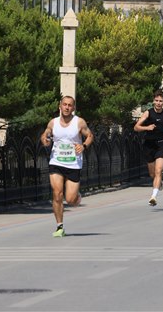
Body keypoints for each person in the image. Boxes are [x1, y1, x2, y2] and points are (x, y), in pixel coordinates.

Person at [40, 95, 94, 237]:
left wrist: (83, 146)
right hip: (56, 162)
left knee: (70, 199)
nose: (67, 107)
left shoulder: (79, 122)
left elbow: (90, 136)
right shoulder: (53, 122)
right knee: (57, 194)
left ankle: (77, 197)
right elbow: (45, 134)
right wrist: (45, 140)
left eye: (70, 105)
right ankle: (59, 226)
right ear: (60, 106)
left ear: (73, 108)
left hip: (73, 164)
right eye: (65, 104)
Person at [134, 89, 163, 206]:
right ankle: (159, 183)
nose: (158, 103)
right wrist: (147, 128)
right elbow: (136, 127)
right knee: (153, 174)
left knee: (158, 171)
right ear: (153, 101)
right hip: (149, 145)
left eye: (160, 101)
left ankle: (153, 197)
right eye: (156, 100)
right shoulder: (148, 113)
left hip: (161, 145)